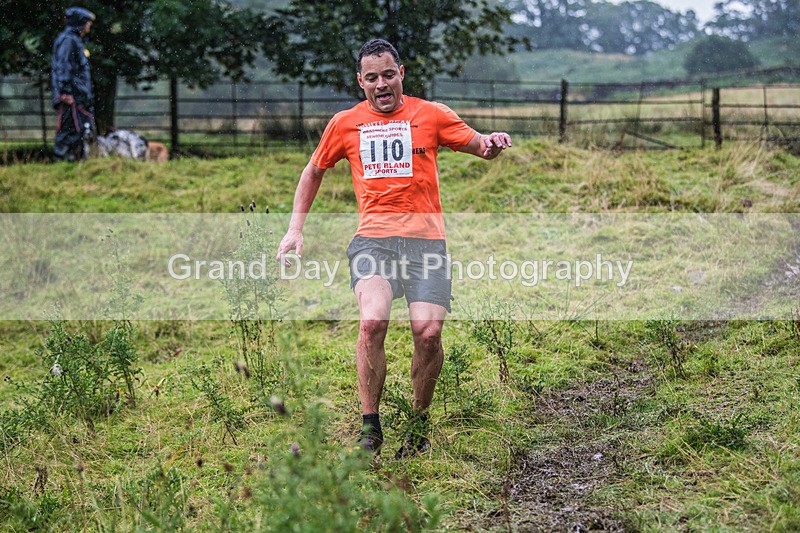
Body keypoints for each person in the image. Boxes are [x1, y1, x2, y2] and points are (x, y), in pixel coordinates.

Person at [276, 39, 512, 458]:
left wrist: (491, 143)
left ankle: (418, 426)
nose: (381, 84)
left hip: (426, 243)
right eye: (372, 78)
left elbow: (479, 145)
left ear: (401, 73)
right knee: (372, 323)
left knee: (428, 333)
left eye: (388, 74)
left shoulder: (432, 114)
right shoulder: (345, 123)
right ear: (360, 81)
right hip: (373, 240)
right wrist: (295, 230)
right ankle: (371, 427)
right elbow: (313, 171)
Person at [51, 6, 96, 162]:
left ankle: (75, 164)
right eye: (88, 22)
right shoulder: (68, 41)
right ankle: (60, 162)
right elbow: (63, 67)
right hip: (71, 97)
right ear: (81, 23)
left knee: (79, 131)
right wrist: (65, 92)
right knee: (67, 131)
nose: (89, 25)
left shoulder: (75, 41)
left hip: (79, 96)